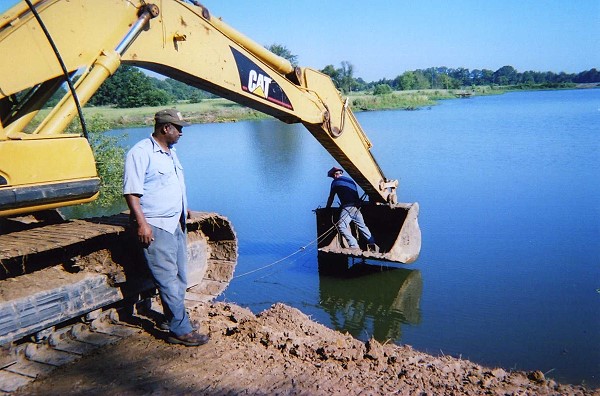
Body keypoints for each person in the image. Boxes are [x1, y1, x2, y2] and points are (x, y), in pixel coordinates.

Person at [123, 109, 208, 347]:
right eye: (178, 128)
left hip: (175, 223)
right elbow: (131, 192)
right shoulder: (140, 153)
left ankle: (172, 320)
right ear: (165, 128)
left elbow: (169, 185)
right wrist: (142, 224)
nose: (181, 133)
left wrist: (184, 207)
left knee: (180, 276)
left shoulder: (170, 152)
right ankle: (180, 331)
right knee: (168, 279)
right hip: (156, 225)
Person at [326, 166, 379, 252]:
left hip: (348, 207)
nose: (333, 178)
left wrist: (327, 208)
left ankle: (354, 245)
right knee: (362, 226)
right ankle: (372, 244)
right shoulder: (350, 180)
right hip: (357, 207)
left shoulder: (335, 182)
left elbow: (331, 197)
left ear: (335, 175)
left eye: (332, 176)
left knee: (341, 226)